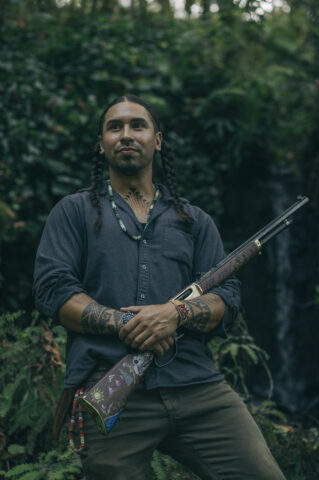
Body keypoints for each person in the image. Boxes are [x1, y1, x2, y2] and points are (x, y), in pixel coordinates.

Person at [33, 95, 285, 480]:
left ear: (158, 140)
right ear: (101, 144)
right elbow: (54, 291)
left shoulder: (194, 220)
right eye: (114, 127)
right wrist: (124, 324)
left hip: (197, 385)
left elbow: (227, 299)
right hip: (109, 386)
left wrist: (176, 313)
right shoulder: (73, 212)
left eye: (138, 125)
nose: (126, 134)